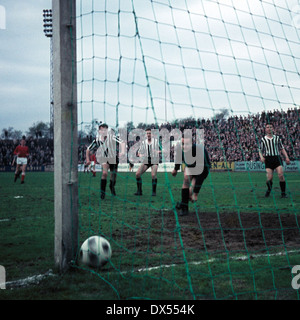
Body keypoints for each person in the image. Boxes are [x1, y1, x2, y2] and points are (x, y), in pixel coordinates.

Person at [172, 135, 210, 216]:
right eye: (182, 143)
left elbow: (202, 172)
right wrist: (175, 169)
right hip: (191, 167)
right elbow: (179, 159)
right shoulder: (181, 150)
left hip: (202, 170)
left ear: (192, 143)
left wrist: (196, 193)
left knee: (190, 194)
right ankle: (184, 209)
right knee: (186, 179)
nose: (184, 146)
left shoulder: (199, 151)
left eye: (186, 144)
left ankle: (182, 203)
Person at [86, 123, 125, 199]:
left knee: (113, 176)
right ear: (99, 131)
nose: (103, 131)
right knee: (104, 173)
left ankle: (111, 186)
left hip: (113, 158)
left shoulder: (112, 137)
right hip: (104, 158)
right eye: (101, 130)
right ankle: (102, 192)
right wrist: (87, 159)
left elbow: (122, 143)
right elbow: (88, 149)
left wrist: (122, 152)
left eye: (105, 130)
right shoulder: (97, 140)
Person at [259, 122, 290, 198]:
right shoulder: (263, 139)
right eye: (267, 127)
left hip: (277, 158)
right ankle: (269, 190)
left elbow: (281, 148)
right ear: (265, 129)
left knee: (281, 175)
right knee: (269, 178)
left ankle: (283, 193)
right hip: (268, 159)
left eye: (271, 127)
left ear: (273, 129)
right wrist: (261, 157)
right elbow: (260, 150)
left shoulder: (277, 138)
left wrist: (287, 157)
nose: (269, 129)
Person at [134, 128, 161, 196]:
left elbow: (163, 150)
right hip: (146, 160)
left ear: (152, 134)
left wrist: (157, 151)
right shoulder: (143, 142)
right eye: (147, 133)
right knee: (137, 174)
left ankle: (154, 192)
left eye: (149, 133)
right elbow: (139, 153)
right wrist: (141, 155)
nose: (148, 134)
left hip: (154, 160)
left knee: (153, 175)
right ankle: (139, 191)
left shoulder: (156, 141)